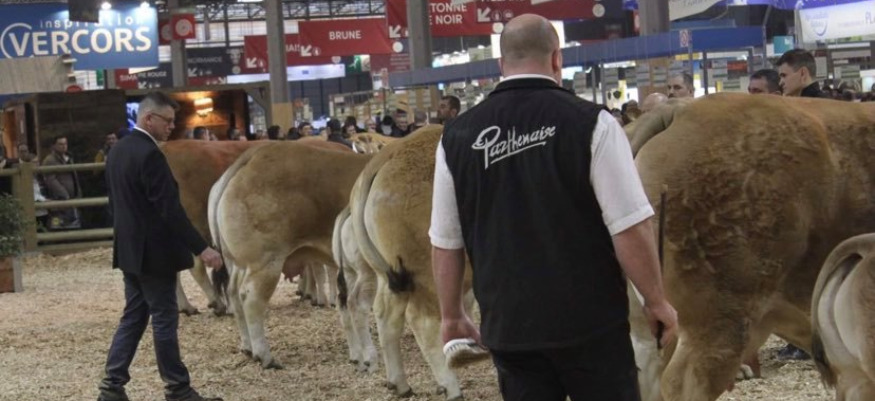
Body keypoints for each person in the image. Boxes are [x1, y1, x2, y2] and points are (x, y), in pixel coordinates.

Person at [430, 14, 677, 401]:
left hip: (510, 328)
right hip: (591, 324)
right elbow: (629, 226)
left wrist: (451, 315)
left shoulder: (455, 138)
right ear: (557, 58)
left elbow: (446, 241)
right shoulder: (594, 123)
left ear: (501, 63)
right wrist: (655, 300)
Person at [98, 92, 224, 401]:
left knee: (134, 317)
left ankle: (111, 386)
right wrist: (202, 248)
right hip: (155, 254)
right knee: (164, 319)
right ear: (148, 118)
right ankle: (177, 388)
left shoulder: (118, 150)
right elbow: (169, 209)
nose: (171, 126)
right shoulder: (150, 154)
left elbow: (114, 204)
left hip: (129, 250)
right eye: (167, 121)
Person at [42, 135, 82, 229]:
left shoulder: (69, 158)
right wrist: (63, 194)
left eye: (65, 144)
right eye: (60, 144)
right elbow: (50, 180)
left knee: (73, 224)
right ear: (54, 146)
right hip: (59, 199)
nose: (63, 146)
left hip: (72, 197)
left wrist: (78, 192)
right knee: (58, 224)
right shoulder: (49, 160)